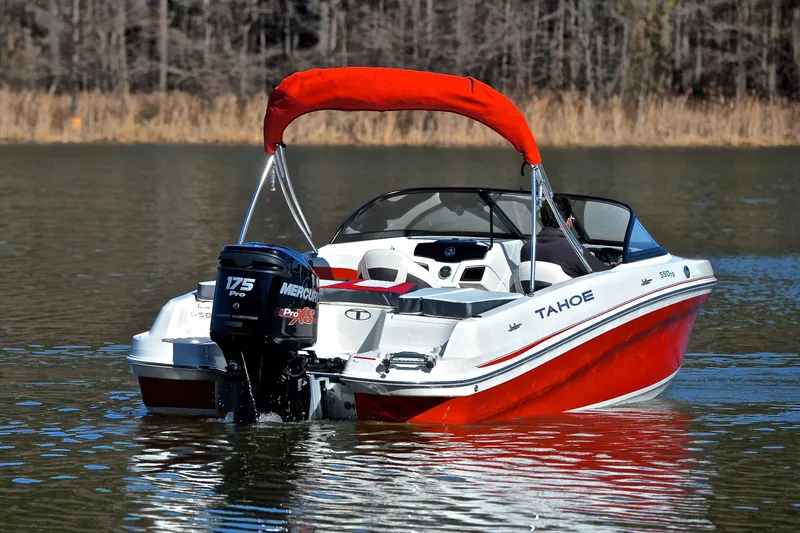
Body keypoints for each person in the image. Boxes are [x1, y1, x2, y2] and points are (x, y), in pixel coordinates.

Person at [520, 194, 616, 278]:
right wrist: (618, 263)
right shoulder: (573, 249)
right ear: (569, 222)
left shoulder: (527, 249)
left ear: (542, 221)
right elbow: (606, 273)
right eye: (572, 220)